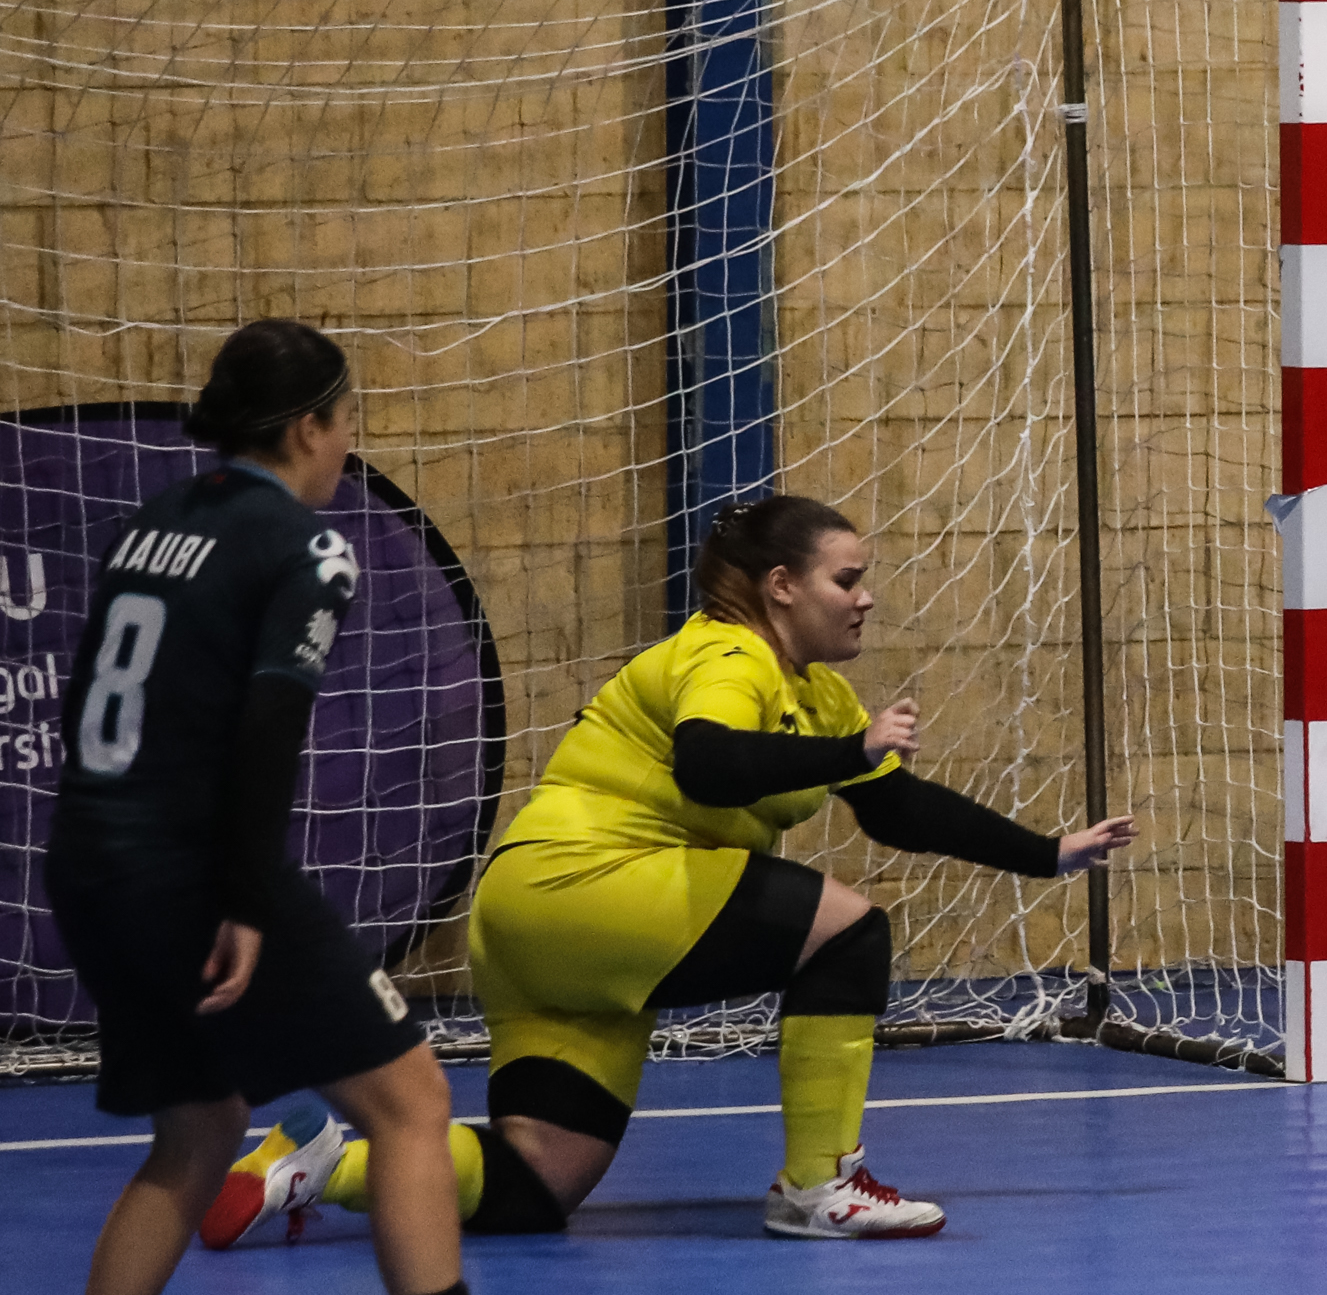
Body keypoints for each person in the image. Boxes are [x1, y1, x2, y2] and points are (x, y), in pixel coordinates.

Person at [206, 494, 1134, 1248]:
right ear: (780, 586)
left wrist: (1048, 854)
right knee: (851, 932)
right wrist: (851, 748)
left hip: (536, 926)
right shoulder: (730, 656)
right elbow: (710, 764)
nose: (865, 599)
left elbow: (898, 809)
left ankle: (322, 1164)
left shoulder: (819, 697)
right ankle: (821, 1185)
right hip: (591, 884)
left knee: (536, 1184)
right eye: (847, 580)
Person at [20, 320, 599, 1295]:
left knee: (198, 1128)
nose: (348, 447)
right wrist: (240, 894)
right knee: (411, 1100)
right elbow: (268, 727)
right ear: (308, 427)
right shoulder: (306, 547)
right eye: (348, 423)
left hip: (91, 861)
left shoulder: (150, 528)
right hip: (197, 871)